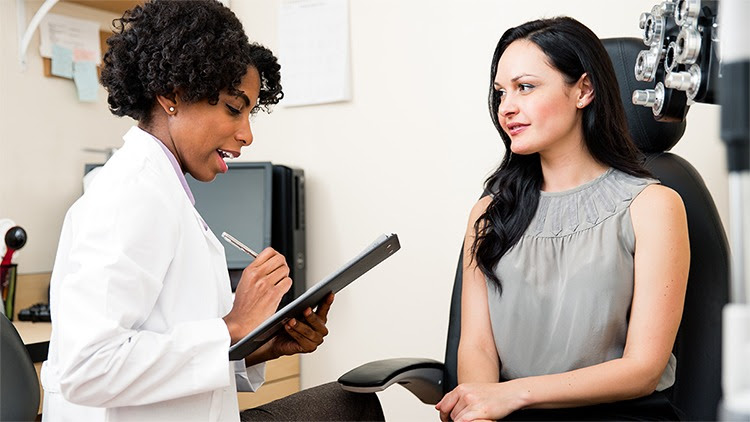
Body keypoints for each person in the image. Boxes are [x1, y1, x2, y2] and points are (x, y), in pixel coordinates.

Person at [40, 1, 383, 421]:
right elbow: (87, 368)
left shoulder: (163, 190)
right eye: (234, 108)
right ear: (171, 95)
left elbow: (172, 351)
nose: (247, 134)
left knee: (351, 402)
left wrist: (260, 345)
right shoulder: (130, 196)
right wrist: (234, 326)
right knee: (352, 408)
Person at [435, 17, 690, 421]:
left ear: (584, 90)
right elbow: (478, 348)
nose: (507, 107)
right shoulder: (489, 212)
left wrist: (513, 395)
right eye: (500, 93)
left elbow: (642, 369)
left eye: (525, 87)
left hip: (619, 414)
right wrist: (480, 410)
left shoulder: (654, 206)